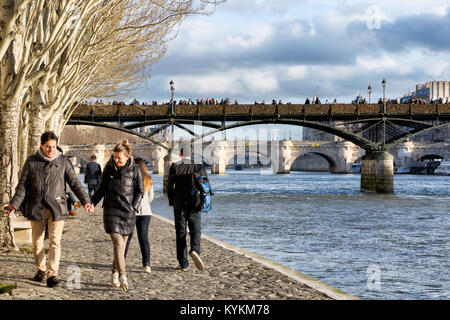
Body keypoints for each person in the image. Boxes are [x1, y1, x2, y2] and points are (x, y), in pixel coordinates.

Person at [3, 131, 93, 288]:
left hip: (57, 207)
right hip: (36, 206)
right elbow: (22, 186)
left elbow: (75, 183)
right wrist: (13, 205)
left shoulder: (63, 161)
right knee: (37, 242)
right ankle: (41, 269)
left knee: (55, 241)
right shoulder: (31, 162)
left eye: (53, 146)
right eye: (47, 147)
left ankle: (52, 274)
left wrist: (86, 200)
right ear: (41, 146)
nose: (51, 150)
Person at [91, 139, 144, 291]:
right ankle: (123, 275)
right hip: (111, 211)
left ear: (127, 156)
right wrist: (91, 203)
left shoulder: (135, 169)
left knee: (120, 248)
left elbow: (140, 191)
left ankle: (114, 273)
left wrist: (134, 207)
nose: (116, 160)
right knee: (118, 244)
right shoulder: (109, 168)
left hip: (128, 213)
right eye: (114, 157)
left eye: (118, 157)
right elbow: (101, 189)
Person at [167, 148, 210, 271]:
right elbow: (206, 185)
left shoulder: (175, 166)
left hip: (179, 203)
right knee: (196, 230)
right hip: (194, 203)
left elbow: (169, 187)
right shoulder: (199, 166)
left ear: (180, 154)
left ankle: (183, 263)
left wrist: (172, 201)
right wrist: (204, 203)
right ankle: (195, 250)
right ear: (191, 153)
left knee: (180, 233)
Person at [124, 158, 154, 273]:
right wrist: (145, 203)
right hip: (146, 212)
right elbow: (151, 197)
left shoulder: (130, 178)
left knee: (127, 238)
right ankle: (147, 264)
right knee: (144, 238)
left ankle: (122, 260)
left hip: (132, 211)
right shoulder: (149, 179)